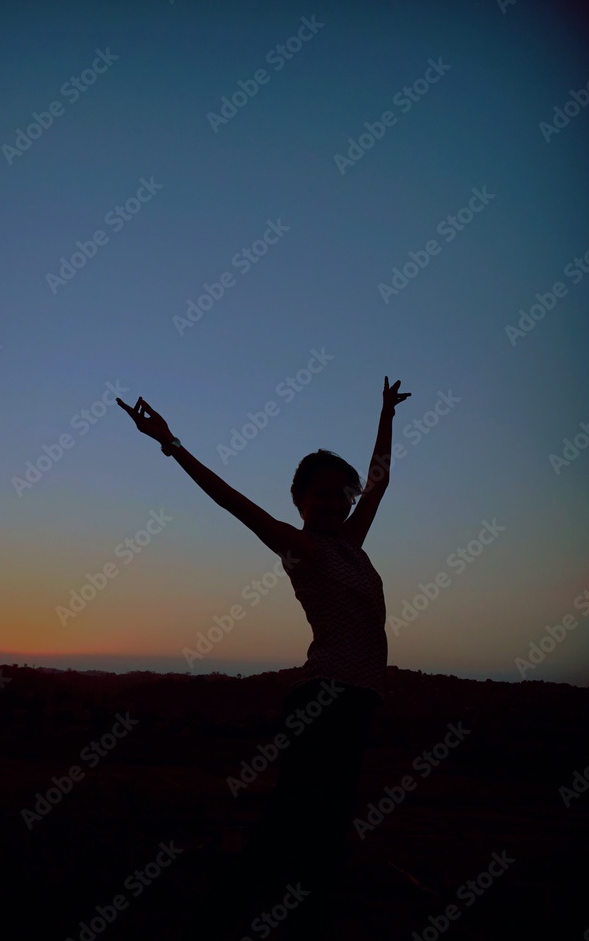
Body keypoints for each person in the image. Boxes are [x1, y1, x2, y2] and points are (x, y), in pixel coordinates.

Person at [117, 377, 410, 938]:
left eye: (339, 494)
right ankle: (214, 924)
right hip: (324, 701)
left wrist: (386, 414)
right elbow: (230, 500)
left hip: (356, 703)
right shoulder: (300, 546)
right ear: (298, 501)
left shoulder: (353, 543)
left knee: (324, 835)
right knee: (287, 831)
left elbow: (379, 482)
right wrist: (169, 442)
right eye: (318, 493)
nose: (332, 501)